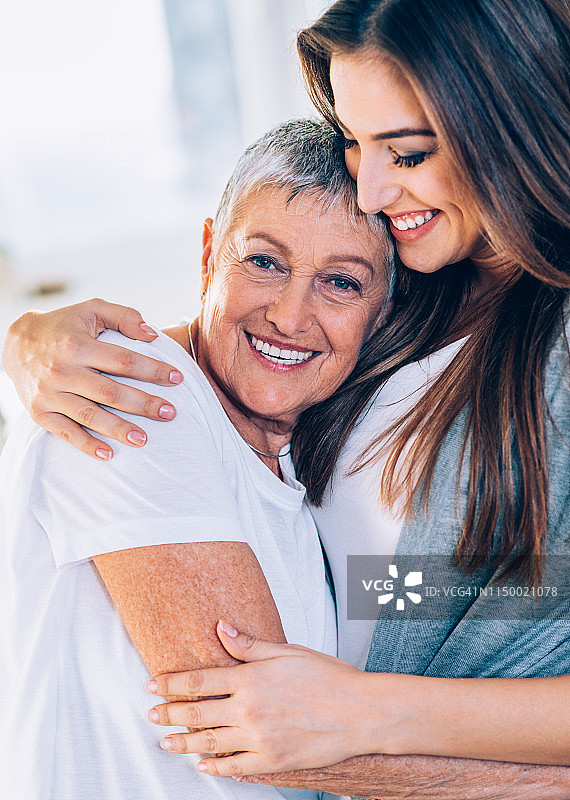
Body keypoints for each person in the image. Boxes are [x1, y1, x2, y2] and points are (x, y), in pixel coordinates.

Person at [3, 0, 570, 797]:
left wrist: (371, 706)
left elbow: (298, 703)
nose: (371, 188)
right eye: (357, 144)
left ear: (504, 126)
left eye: (404, 152)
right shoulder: (418, 292)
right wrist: (41, 341)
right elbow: (390, 581)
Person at [0, 118, 394, 800]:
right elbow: (260, 726)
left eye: (341, 284)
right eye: (264, 262)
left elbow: (403, 594)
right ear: (210, 254)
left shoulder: (304, 470)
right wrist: (536, 777)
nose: (290, 315)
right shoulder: (140, 389)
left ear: (383, 314)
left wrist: (535, 590)